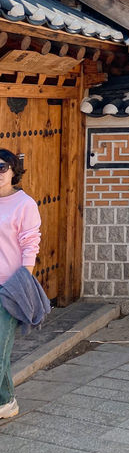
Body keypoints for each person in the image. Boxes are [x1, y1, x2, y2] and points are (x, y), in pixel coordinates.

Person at [0, 149, 41, 420]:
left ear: (14, 170)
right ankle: (7, 401)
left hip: (9, 286)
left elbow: (30, 244)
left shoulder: (24, 204)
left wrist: (22, 283)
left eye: (2, 167)